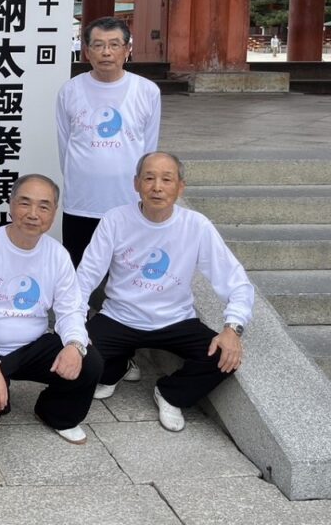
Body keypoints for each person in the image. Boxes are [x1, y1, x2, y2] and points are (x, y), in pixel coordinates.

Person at [78, 152, 255, 432]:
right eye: (149, 178)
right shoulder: (115, 220)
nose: (157, 187)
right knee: (74, 354)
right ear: (136, 183)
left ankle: (170, 394)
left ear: (180, 187)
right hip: (120, 316)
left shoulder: (196, 225)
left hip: (176, 320)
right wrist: (75, 325)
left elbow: (236, 281)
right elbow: (86, 275)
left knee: (224, 358)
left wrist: (232, 328)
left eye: (167, 179)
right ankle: (118, 367)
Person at [0, 174, 103, 444]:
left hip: (34, 345)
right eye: (25, 203)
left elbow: (70, 309)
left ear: (54, 213)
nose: (33, 214)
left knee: (89, 360)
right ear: (11, 205)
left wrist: (74, 343)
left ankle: (54, 412)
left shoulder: (57, 254)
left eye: (44, 206)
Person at [55, 16, 161, 276]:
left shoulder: (147, 91)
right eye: (98, 45)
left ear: (127, 49)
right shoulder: (70, 90)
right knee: (79, 271)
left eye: (114, 44)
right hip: (81, 202)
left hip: (127, 202)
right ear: (86, 51)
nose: (106, 52)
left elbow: (149, 150)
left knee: (126, 273)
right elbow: (64, 145)